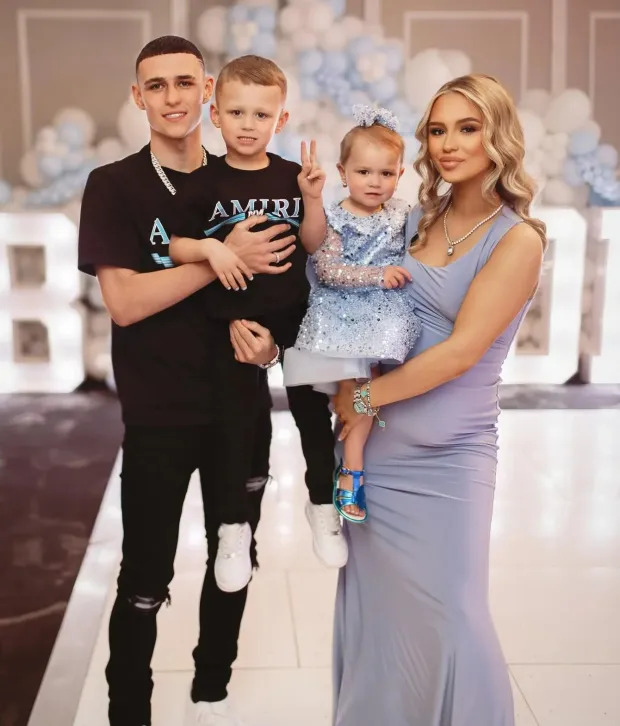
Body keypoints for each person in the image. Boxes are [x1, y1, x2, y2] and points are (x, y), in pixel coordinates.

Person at [78, 36, 294, 726]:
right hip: (158, 414)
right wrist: (216, 257)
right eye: (155, 85)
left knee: (235, 559)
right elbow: (126, 301)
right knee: (144, 577)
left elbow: (289, 286)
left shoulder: (245, 177)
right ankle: (127, 710)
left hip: (240, 407)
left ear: (207, 91)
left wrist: (275, 344)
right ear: (138, 97)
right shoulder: (113, 185)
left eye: (184, 83)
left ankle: (211, 691)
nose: (172, 97)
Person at [331, 74, 546, 725]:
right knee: (377, 618)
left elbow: (460, 352)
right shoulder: (415, 217)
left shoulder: (517, 240)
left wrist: (362, 399)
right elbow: (358, 302)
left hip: (450, 460)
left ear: (498, 136)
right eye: (437, 129)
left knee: (455, 615)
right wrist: (349, 395)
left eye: (467, 127)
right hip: (377, 459)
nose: (448, 143)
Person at [169, 55, 347, 571]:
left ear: (280, 120)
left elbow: (314, 245)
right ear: (216, 115)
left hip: (296, 317)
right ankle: (231, 526)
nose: (249, 126)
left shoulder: (295, 176)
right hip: (233, 323)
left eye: (261, 116)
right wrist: (213, 250)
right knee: (233, 427)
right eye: (237, 113)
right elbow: (177, 245)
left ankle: (321, 506)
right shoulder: (203, 182)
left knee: (313, 416)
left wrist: (312, 200)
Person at [283, 105, 420, 523]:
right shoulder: (335, 217)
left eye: (385, 173)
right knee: (354, 400)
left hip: (383, 319)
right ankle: (345, 475)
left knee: (365, 399)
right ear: (343, 173)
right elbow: (327, 270)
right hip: (340, 319)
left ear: (400, 175)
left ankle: (350, 470)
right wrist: (379, 274)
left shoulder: (402, 213)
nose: (375, 182)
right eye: (364, 172)